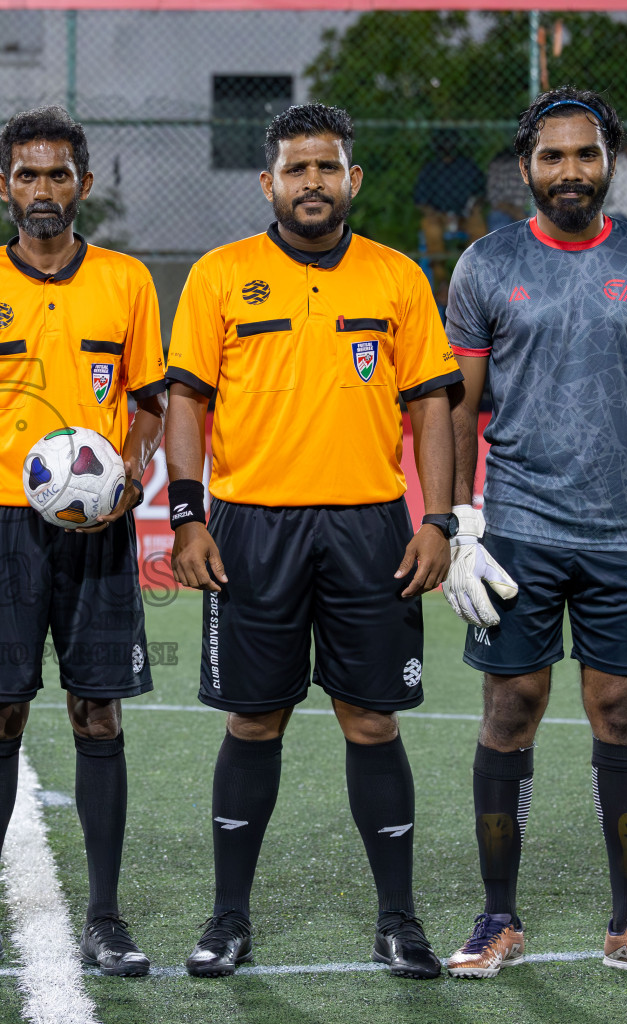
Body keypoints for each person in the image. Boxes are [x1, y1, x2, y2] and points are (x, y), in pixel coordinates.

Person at [165, 103, 460, 980]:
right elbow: (187, 400)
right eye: (296, 170)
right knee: (254, 722)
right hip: (252, 527)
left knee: (370, 721)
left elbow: (432, 408)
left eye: (327, 168)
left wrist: (439, 519)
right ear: (269, 183)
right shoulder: (220, 276)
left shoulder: (398, 277)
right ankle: (227, 920)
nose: (312, 184)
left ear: (352, 180)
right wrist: (188, 513)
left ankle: (398, 921)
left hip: (371, 525)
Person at [441, 87, 627, 983]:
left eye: (584, 155)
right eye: (551, 157)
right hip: (515, 526)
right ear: (526, 169)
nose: (568, 172)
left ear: (609, 163)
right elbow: (459, 408)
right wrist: (459, 523)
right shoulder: (483, 265)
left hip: (620, 532)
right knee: (510, 709)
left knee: (620, 714)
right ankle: (497, 919)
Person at [0, 106, 167, 978]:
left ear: (84, 186)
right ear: (2, 188)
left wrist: (130, 474)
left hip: (96, 530)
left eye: (59, 175)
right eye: (27, 176)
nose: (43, 191)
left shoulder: (128, 283)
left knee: (98, 712)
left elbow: (147, 406)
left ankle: (104, 918)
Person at [415, 129, 488, 298]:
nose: (447, 147)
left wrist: (474, 207)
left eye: (450, 143)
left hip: (464, 214)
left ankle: (472, 278)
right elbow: (421, 201)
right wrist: (436, 214)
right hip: (440, 216)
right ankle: (441, 281)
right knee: (429, 224)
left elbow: (480, 194)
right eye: (443, 143)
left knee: (478, 223)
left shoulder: (467, 166)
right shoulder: (430, 168)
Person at [485, 149, 527, 232]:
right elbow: (496, 202)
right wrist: (516, 213)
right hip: (506, 212)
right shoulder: (498, 166)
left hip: (527, 213)